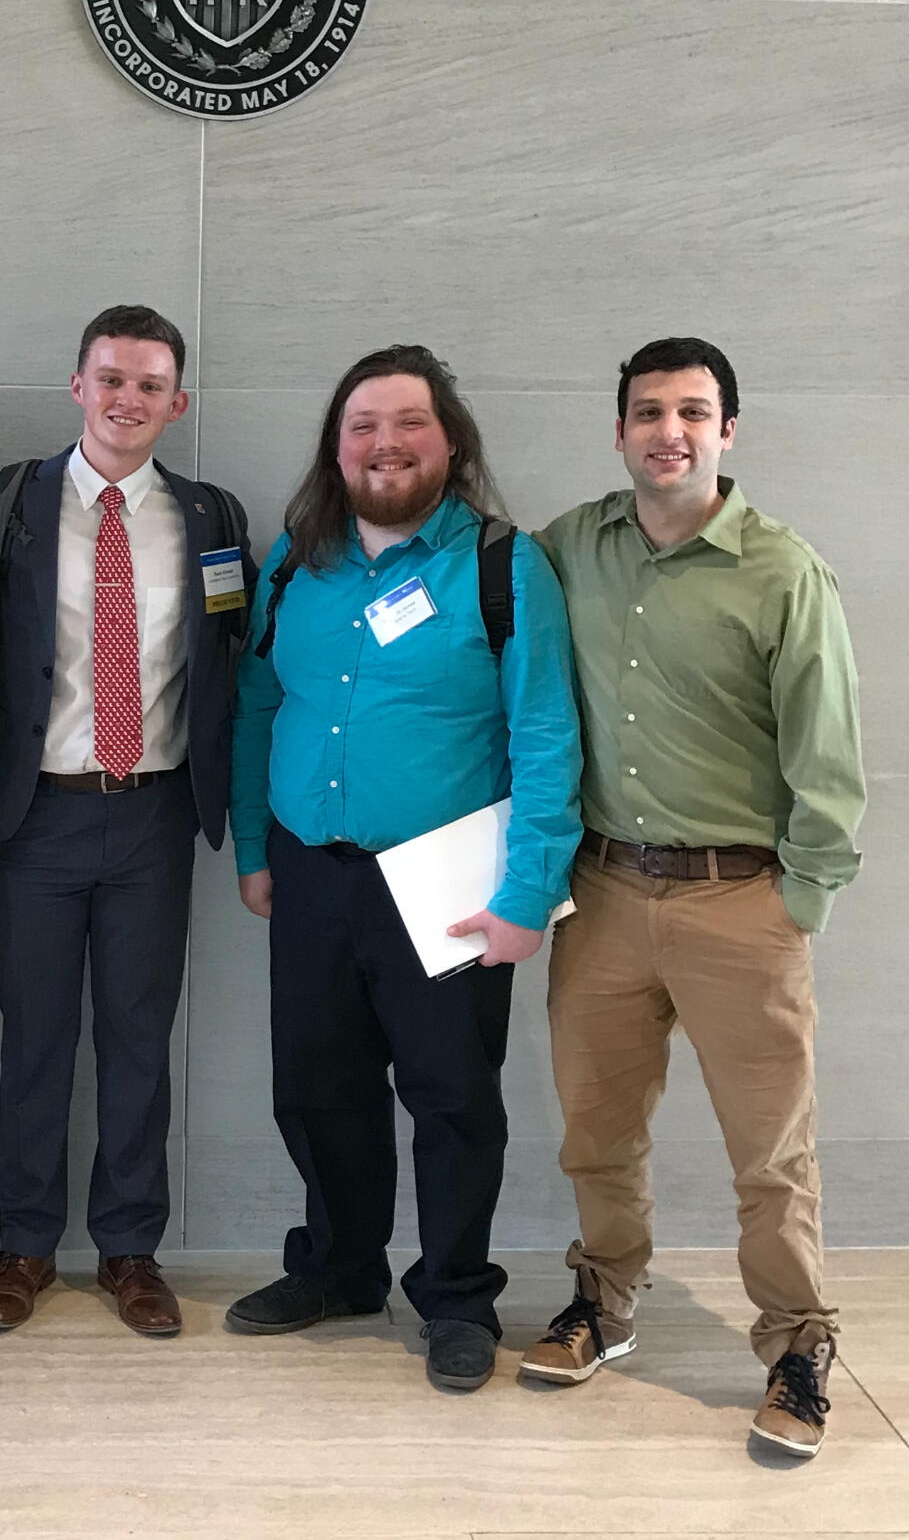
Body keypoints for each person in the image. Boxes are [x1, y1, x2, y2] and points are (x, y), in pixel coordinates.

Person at [522, 337, 865, 1459]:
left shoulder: (783, 572)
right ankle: (603, 1302)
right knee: (597, 1130)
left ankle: (798, 1346)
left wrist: (798, 901)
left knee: (770, 1151)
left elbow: (827, 755)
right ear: (619, 429)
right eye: (648, 411)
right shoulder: (572, 547)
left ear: (727, 430)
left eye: (693, 411)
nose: (668, 431)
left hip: (740, 902)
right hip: (603, 892)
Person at [226, 345, 582, 1393]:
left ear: (451, 441)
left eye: (409, 422)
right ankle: (339, 1270)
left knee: (453, 1098)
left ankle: (457, 1297)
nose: (386, 443)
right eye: (363, 426)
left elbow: (546, 731)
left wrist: (528, 892)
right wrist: (254, 848)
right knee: (316, 1086)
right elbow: (258, 709)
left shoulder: (503, 566)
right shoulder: (294, 563)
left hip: (448, 885)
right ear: (337, 450)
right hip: (311, 873)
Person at [0, 304, 255, 1338]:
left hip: (154, 816)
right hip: (35, 815)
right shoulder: (7, 501)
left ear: (178, 403)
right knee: (35, 1038)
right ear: (77, 385)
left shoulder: (211, 516)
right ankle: (24, 1245)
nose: (128, 399)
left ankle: (130, 1247)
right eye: (111, 378)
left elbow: (230, 658)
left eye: (149, 385)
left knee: (139, 1037)